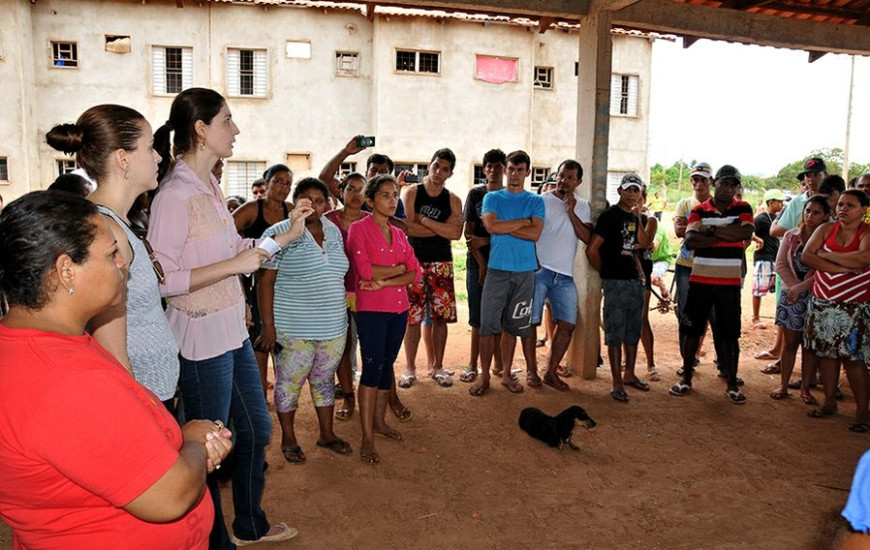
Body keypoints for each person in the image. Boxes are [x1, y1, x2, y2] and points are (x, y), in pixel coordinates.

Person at [0, 191, 232, 549]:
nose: (123, 263)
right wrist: (195, 443)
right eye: (111, 253)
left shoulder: (38, 342)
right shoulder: (67, 383)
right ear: (66, 271)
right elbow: (169, 496)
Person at [149, 88, 302, 547]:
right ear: (201, 129)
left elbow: (236, 251)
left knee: (255, 430)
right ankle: (215, 541)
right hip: (199, 340)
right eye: (227, 121)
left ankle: (249, 525)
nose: (235, 129)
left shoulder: (211, 186)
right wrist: (235, 267)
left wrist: (285, 237)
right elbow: (163, 280)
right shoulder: (173, 196)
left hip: (232, 331)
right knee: (206, 450)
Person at [46, 105, 181, 412]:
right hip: (140, 398)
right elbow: (111, 348)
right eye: (149, 148)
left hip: (152, 390)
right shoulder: (108, 232)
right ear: (123, 158)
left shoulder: (117, 224)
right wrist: (145, 412)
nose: (159, 157)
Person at [257, 177, 352, 463]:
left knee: (323, 381)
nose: (313, 205)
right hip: (293, 328)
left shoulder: (333, 231)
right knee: (289, 384)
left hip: (333, 328)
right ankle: (289, 438)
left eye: (320, 200)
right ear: (295, 203)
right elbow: (265, 282)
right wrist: (268, 326)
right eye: (306, 200)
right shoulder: (280, 232)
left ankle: (327, 434)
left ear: (327, 204)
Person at [346, 174, 420, 464]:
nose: (393, 201)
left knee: (386, 364)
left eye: (395, 195)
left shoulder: (399, 233)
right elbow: (364, 272)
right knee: (373, 367)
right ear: (370, 200)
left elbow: (415, 273)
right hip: (372, 310)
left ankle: (379, 422)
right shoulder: (359, 230)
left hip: (398, 308)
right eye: (386, 195)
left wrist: (387, 280)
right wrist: (398, 271)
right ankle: (366, 436)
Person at [669, 165, 754, 404]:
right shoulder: (698, 209)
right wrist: (728, 232)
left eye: (733, 184)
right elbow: (691, 240)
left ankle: (731, 383)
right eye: (724, 183)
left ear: (737, 187)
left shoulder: (744, 208)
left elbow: (744, 234)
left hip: (728, 284)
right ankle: (686, 378)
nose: (728, 188)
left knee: (729, 333)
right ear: (715, 183)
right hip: (700, 281)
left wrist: (712, 230)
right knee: (692, 331)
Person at [469, 150, 544, 397]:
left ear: (527, 172)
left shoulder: (535, 201)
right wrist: (523, 222)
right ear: (504, 170)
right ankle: (484, 377)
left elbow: (535, 234)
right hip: (497, 271)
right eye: (510, 169)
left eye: (520, 170)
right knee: (488, 327)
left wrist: (506, 227)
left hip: (525, 273)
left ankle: (507, 374)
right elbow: (491, 226)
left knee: (513, 327)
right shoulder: (493, 197)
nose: (514, 175)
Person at [801, 189, 870, 432]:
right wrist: (843, 267)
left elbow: (864, 259)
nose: (842, 209)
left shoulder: (867, 232)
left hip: (855, 307)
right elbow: (807, 257)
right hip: (823, 304)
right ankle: (829, 402)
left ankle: (862, 412)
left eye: (850, 205)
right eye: (840, 204)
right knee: (826, 355)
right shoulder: (825, 229)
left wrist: (826, 257)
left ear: (864, 210)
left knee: (854, 359)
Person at [521, 159, 592, 391]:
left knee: (568, 323)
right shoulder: (540, 200)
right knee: (530, 322)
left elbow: (587, 237)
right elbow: (530, 231)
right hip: (540, 272)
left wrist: (571, 212)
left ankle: (550, 371)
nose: (564, 181)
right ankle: (531, 371)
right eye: (561, 175)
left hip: (564, 276)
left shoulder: (582, 205)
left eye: (570, 177)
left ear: (578, 182)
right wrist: (532, 262)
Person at [400, 148, 463, 388]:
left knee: (440, 318)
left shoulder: (453, 200)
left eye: (445, 169)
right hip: (414, 262)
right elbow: (407, 228)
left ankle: (437, 366)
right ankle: (410, 368)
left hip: (442, 262)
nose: (438, 172)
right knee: (412, 318)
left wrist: (423, 220)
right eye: (436, 166)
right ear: (430, 164)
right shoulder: (411, 193)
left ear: (450, 173)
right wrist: (440, 226)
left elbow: (455, 233)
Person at [586, 174, 651, 403]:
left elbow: (642, 243)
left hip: (634, 282)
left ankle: (630, 373)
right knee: (615, 333)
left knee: (633, 330)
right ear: (620, 192)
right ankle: (616, 382)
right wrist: (606, 274)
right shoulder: (609, 216)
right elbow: (592, 249)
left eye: (636, 190)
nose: (632, 194)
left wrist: (638, 216)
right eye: (628, 190)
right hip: (616, 283)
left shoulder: (633, 217)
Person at [233, 163, 295, 398]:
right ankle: (260, 393)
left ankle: (284, 393)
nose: (283, 187)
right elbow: (226, 233)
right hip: (258, 286)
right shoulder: (252, 209)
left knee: (284, 340)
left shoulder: (291, 211)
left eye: (288, 183)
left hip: (287, 287)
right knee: (261, 338)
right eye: (278, 181)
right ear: (266, 183)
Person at [768, 195, 828, 402]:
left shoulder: (828, 239)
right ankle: (783, 386)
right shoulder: (791, 236)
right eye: (807, 211)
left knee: (810, 346)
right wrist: (794, 289)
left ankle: (805, 388)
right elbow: (780, 265)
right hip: (791, 296)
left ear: (826, 216)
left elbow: (823, 271)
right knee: (790, 343)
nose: (810, 216)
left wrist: (799, 289)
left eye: (816, 212)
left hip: (816, 296)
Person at [461, 148, 506, 383]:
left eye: (499, 166)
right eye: (490, 166)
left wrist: (488, 239)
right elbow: (468, 235)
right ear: (484, 169)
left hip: (503, 265)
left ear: (505, 169)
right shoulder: (475, 195)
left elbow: (512, 234)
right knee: (477, 317)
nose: (494, 170)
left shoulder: (510, 196)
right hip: (477, 263)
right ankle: (472, 365)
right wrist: (481, 264)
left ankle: (499, 365)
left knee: (498, 317)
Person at [673, 162, 721, 370]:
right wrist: (710, 231)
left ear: (711, 182)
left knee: (715, 314)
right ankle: (687, 361)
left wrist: (693, 228)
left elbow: (726, 234)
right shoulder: (684, 203)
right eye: (695, 179)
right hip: (686, 266)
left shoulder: (720, 204)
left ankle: (724, 364)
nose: (698, 183)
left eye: (703, 179)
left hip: (711, 266)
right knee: (685, 314)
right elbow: (678, 230)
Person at [318, 135, 408, 222]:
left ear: (389, 175)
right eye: (374, 170)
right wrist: (346, 152)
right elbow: (325, 178)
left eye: (383, 171)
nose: (377, 174)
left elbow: (402, 228)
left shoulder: (396, 200)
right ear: (366, 173)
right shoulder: (355, 190)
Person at [751, 189, 785, 328]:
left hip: (775, 257)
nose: (782, 204)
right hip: (763, 257)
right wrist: (759, 240)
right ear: (771, 202)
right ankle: (756, 318)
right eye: (779, 201)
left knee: (778, 288)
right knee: (759, 289)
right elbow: (748, 231)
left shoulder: (777, 219)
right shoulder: (761, 219)